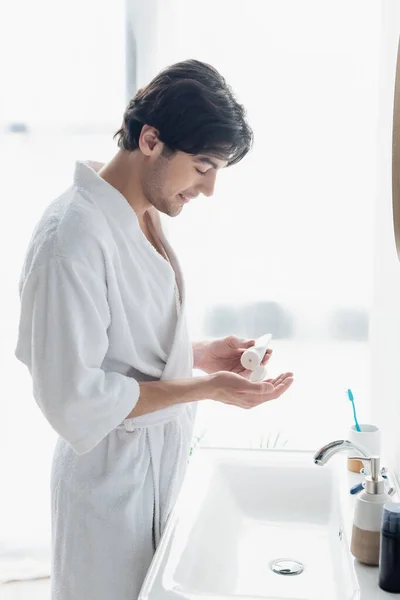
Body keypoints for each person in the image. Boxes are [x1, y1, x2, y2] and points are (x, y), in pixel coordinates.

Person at [15, 59, 294, 600]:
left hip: (154, 475)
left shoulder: (138, 213)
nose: (208, 189)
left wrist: (201, 356)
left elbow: (118, 348)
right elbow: (74, 397)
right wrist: (208, 389)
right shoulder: (70, 240)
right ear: (150, 140)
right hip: (108, 488)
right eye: (203, 166)